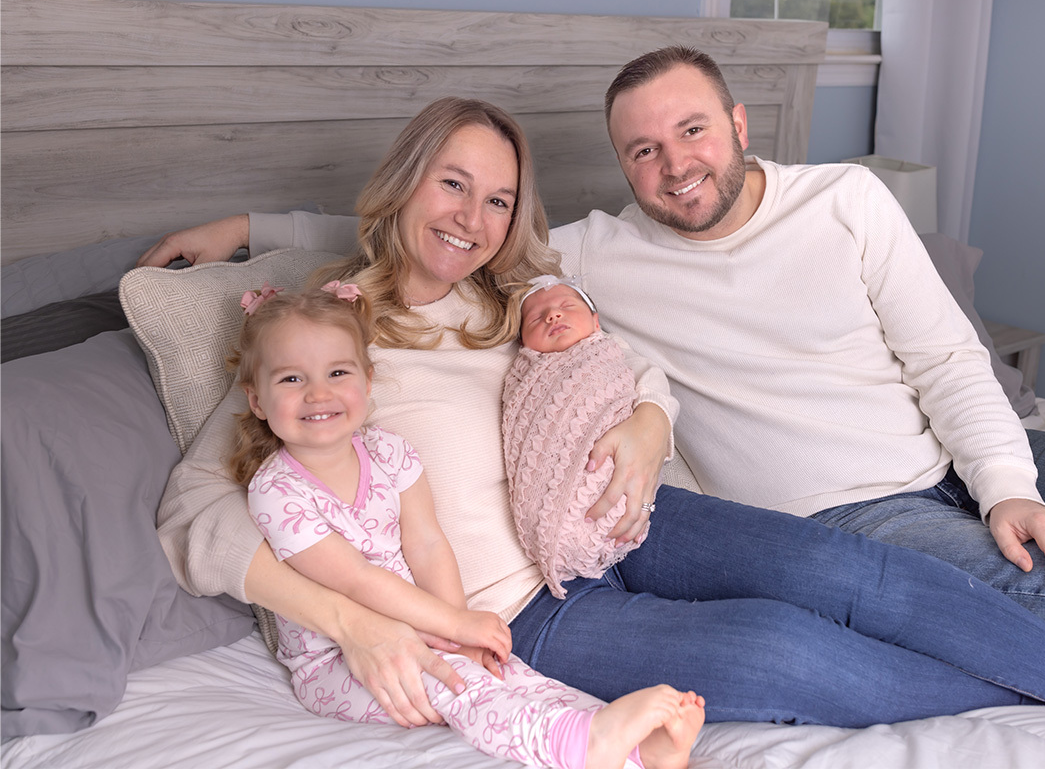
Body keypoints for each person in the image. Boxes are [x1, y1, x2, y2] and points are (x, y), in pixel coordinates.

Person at [140, 97, 1045, 745]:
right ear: (407, 182)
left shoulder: (519, 292)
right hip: (527, 610)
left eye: (498, 199)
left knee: (860, 575)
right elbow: (199, 504)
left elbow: (625, 362)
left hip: (639, 521)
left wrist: (647, 425)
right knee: (791, 652)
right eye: (451, 184)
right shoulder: (330, 331)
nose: (470, 216)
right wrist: (356, 621)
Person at [545, 46, 1045, 720]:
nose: (676, 165)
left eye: (692, 130)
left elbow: (946, 358)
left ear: (738, 126)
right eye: (643, 150)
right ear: (623, 165)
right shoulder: (593, 255)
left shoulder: (845, 199)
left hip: (953, 449)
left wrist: (1006, 490)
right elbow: (469, 270)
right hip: (852, 512)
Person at [227, 281, 704, 769]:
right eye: (291, 380)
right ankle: (578, 746)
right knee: (459, 687)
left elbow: (429, 545)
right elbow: (357, 580)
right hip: (341, 660)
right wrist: (455, 628)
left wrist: (464, 635)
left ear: (367, 382)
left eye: (337, 372)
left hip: (424, 623)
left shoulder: (389, 453)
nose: (318, 393)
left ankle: (637, 752)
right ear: (258, 401)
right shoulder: (277, 491)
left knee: (510, 674)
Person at [502, 275, 646, 598]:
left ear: (596, 321)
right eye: (536, 318)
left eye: (567, 306)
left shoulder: (609, 351)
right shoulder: (525, 376)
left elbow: (641, 391)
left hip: (622, 491)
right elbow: (526, 430)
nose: (552, 315)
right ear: (522, 341)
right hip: (541, 545)